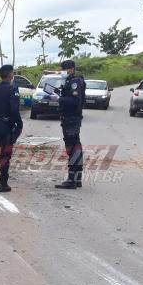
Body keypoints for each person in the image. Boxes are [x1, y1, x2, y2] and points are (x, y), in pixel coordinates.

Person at [53, 59, 85, 189]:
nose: (62, 72)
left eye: (64, 70)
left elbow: (75, 101)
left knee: (72, 148)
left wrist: (60, 99)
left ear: (71, 69)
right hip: (71, 118)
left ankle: (72, 180)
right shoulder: (71, 81)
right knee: (75, 147)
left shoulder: (75, 82)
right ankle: (77, 179)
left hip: (71, 118)